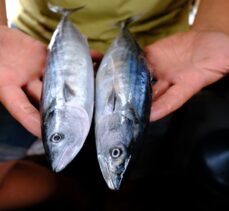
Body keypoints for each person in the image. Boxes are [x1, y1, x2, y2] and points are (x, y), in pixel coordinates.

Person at [1, 0, 229, 209]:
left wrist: (214, 27)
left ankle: (120, 194)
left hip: (165, 57)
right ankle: (76, 192)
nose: (113, 150)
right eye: (115, 150)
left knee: (141, 158)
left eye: (116, 150)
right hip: (29, 52)